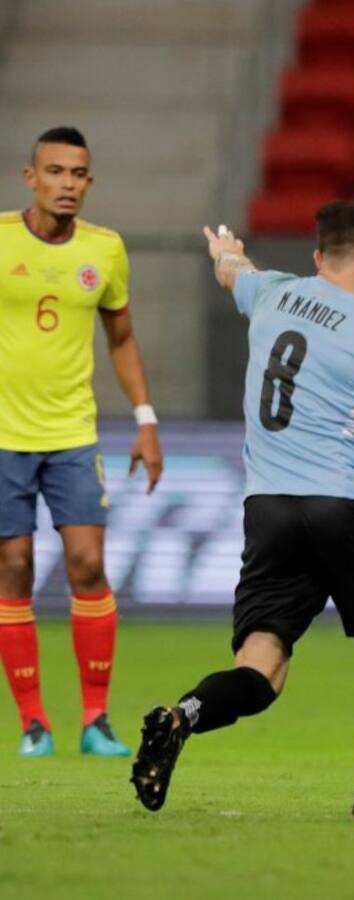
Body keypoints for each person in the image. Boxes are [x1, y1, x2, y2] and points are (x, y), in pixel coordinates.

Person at [131, 202, 354, 820]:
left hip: (267, 507)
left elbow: (233, 271)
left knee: (261, 667)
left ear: (319, 257)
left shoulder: (273, 295)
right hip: (340, 505)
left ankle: (181, 714)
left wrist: (223, 249)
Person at [0, 126, 163, 758]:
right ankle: (34, 722)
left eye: (79, 174)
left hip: (72, 433)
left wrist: (146, 419)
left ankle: (95, 720)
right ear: (30, 178)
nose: (69, 184)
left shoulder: (106, 250)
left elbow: (121, 338)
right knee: (13, 568)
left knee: (88, 564)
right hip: (4, 437)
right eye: (57, 172)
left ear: (89, 182)